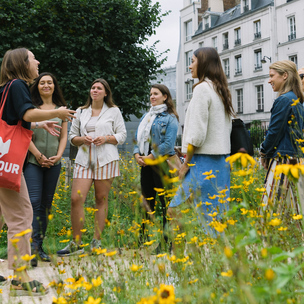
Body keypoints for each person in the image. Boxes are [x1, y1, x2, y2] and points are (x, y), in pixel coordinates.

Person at [0, 48, 74, 294]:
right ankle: (20, 276)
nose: (37, 61)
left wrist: (38, 123)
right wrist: (56, 113)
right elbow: (25, 113)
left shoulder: (8, 87)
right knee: (22, 213)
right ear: (22, 63)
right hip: (3, 161)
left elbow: (14, 119)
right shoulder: (17, 85)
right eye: (33, 58)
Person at [58, 78, 126, 256]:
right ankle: (76, 242)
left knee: (101, 199)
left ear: (105, 93)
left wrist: (106, 138)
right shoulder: (81, 111)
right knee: (76, 199)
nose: (95, 90)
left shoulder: (114, 111)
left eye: (99, 88)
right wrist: (83, 139)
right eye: (93, 88)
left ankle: (96, 241)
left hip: (106, 159)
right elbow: (73, 137)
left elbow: (122, 135)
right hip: (84, 159)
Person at [168, 47, 233, 226]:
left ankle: (181, 253)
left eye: (193, 61)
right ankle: (208, 253)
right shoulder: (221, 90)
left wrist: (185, 165)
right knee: (214, 217)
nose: (190, 66)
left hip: (203, 163)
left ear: (203, 63)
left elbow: (196, 135)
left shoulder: (202, 89)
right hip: (221, 162)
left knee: (175, 211)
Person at [24, 72, 68, 266]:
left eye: (50, 82)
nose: (46, 85)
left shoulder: (62, 110)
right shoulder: (32, 109)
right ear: (38, 86)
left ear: (54, 85)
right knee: (33, 202)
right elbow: (24, 134)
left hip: (54, 163)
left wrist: (59, 155)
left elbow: (64, 136)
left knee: (46, 205)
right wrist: (39, 156)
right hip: (34, 161)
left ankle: (38, 246)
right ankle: (29, 248)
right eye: (42, 82)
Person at [133, 84, 179, 250]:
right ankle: (143, 237)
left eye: (156, 94)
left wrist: (151, 156)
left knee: (165, 203)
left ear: (165, 96)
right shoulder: (147, 116)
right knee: (147, 201)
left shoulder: (170, 118)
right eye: (150, 94)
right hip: (146, 164)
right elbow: (138, 139)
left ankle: (166, 241)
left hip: (162, 165)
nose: (152, 97)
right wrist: (137, 155)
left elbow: (168, 144)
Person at [259, 60, 304, 211]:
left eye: (272, 76)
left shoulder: (283, 100)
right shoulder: (296, 100)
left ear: (284, 76)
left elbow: (274, 132)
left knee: (270, 210)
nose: (269, 80)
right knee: (293, 209)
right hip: (295, 159)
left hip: (282, 160)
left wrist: (263, 151)